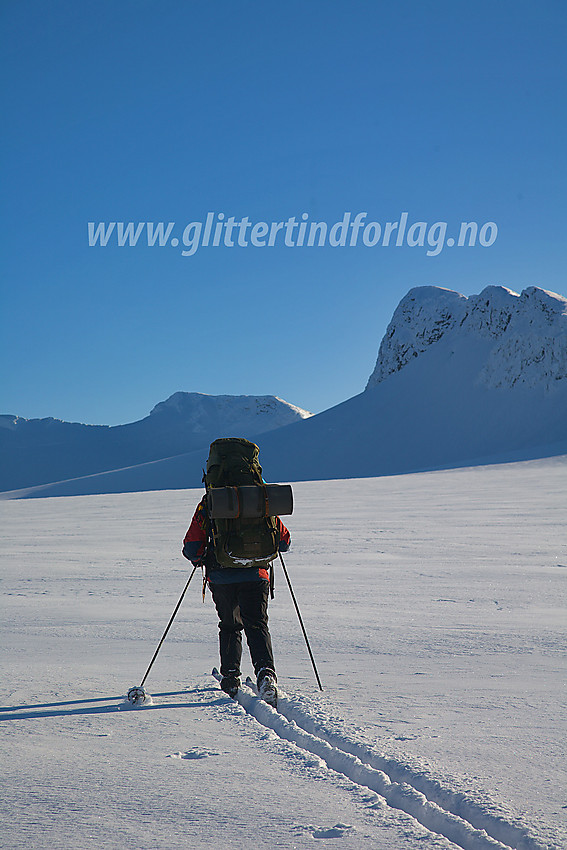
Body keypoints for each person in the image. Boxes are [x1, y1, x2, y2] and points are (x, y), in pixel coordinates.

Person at [182, 489, 291, 705]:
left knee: (230, 625)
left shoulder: (210, 501)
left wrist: (201, 556)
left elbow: (192, 546)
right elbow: (284, 541)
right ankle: (266, 674)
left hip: (222, 577)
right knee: (257, 625)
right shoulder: (262, 498)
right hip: (256, 575)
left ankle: (231, 678)